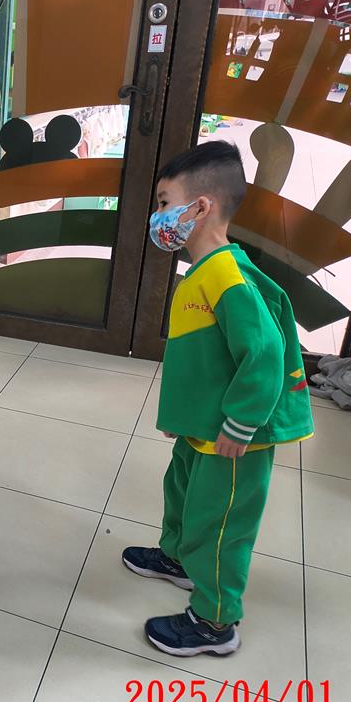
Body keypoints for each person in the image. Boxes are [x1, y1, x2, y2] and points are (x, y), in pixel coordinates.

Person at [122, 141, 314, 657]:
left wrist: (240, 423)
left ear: (200, 207)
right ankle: (179, 559)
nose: (159, 217)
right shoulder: (204, 271)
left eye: (165, 203)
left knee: (220, 523)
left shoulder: (228, 278)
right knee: (182, 493)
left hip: (233, 439)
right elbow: (204, 360)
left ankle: (215, 621)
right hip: (201, 428)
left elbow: (264, 354)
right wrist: (182, 415)